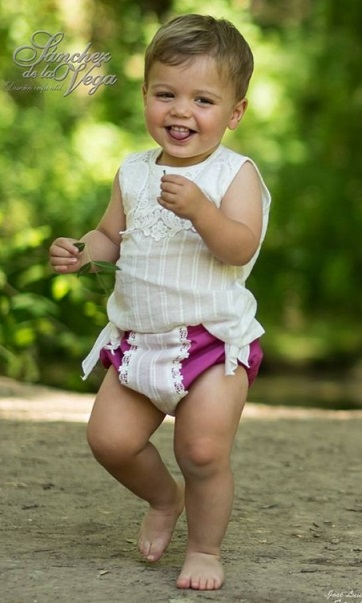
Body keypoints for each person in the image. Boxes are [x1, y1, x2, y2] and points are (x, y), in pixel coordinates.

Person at [49, 13, 270, 591]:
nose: (181, 111)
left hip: (211, 342)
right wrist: (83, 250)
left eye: (203, 99)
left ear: (234, 112)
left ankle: (205, 548)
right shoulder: (133, 171)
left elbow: (240, 245)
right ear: (145, 95)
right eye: (166, 94)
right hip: (139, 340)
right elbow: (109, 235)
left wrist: (201, 209)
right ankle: (163, 498)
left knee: (200, 450)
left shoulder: (233, 175)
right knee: (110, 440)